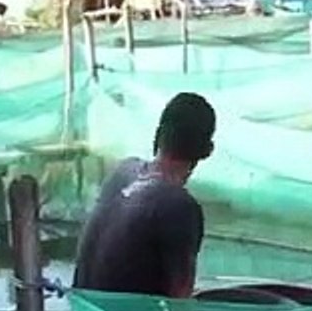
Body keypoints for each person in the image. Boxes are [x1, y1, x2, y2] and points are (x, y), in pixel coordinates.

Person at [73, 91, 215, 300]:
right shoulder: (179, 206)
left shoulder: (122, 171)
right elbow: (179, 303)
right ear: (207, 150)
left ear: (158, 136)